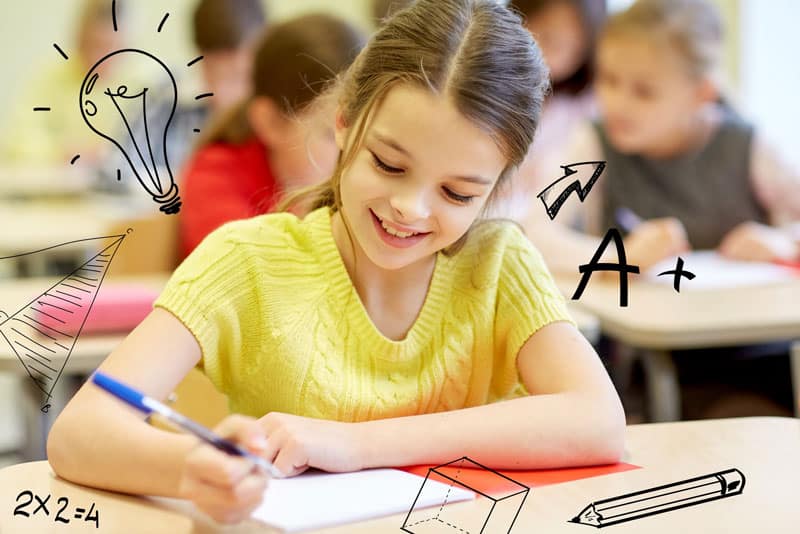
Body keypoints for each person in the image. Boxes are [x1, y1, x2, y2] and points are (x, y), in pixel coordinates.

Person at [47, 0, 625, 525]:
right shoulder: (248, 260)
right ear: (345, 122)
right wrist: (188, 468)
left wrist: (356, 444)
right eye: (389, 164)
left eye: (457, 194)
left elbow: (598, 422)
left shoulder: (498, 264)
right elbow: (80, 432)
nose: (410, 208)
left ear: (500, 184)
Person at [525, 0, 800, 273]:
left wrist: (785, 241)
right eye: (608, 79)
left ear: (701, 94)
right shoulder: (592, 141)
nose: (616, 103)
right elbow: (533, 230)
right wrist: (619, 256)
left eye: (644, 91)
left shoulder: (750, 146)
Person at [179, 14, 366, 256]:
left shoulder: (352, 185)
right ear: (270, 122)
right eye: (330, 134)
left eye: (361, 134)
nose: (350, 151)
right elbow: (247, 270)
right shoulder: (216, 175)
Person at [97, 0, 269, 196]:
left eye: (236, 75)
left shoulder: (273, 114)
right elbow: (116, 168)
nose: (221, 92)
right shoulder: (165, 97)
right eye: (210, 71)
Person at [495, 0, 605, 221]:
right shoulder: (490, 87)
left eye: (573, 48)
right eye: (547, 37)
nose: (556, 57)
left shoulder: (585, 105)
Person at [3, 0, 125, 165]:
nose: (98, 58)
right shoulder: (49, 78)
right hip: (49, 186)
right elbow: (17, 140)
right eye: (92, 45)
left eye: (109, 47)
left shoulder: (143, 86)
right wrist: (61, 151)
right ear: (78, 38)